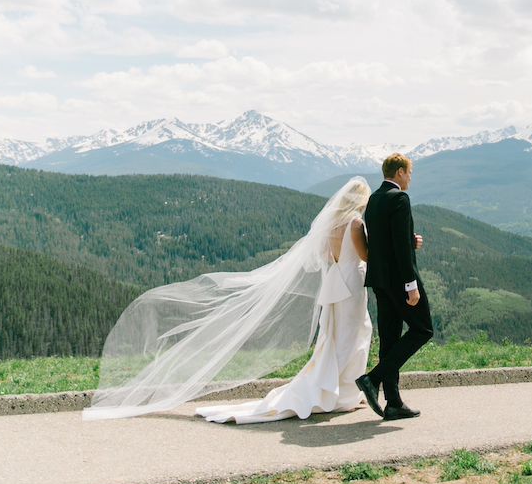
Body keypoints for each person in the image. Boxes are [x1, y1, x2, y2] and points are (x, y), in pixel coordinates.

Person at [83, 177, 374, 421]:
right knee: (355, 336)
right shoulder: (356, 224)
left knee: (334, 338)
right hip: (352, 283)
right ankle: (345, 392)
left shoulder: (333, 224)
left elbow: (323, 256)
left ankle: (337, 389)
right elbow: (365, 256)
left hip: (334, 283)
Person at [356, 153, 432, 420]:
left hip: (379, 279)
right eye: (410, 172)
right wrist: (411, 285)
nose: (411, 177)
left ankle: (394, 402)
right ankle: (373, 379)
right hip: (399, 280)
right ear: (399, 172)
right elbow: (398, 247)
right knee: (423, 329)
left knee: (389, 339)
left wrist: (411, 240)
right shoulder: (400, 198)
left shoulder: (374, 199)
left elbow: (384, 239)